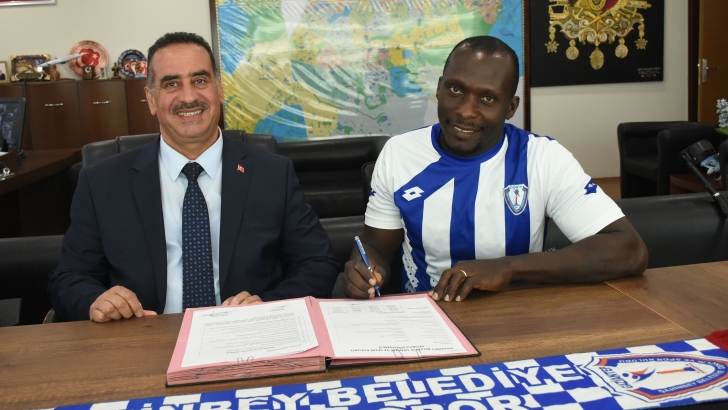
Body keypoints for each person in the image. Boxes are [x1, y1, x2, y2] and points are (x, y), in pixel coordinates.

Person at [49, 32, 339, 322]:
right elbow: (69, 278)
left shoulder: (272, 174)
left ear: (219, 90)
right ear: (151, 100)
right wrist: (96, 301)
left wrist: (268, 306)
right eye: (171, 84)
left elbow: (318, 263)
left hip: (247, 334)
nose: (188, 97)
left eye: (200, 80)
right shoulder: (102, 183)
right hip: (143, 335)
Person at [343, 36, 648, 302]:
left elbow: (629, 249)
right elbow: (376, 247)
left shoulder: (542, 158)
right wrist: (365, 270)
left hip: (518, 315)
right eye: (455, 90)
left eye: (487, 98)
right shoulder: (399, 153)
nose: (465, 111)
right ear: (439, 88)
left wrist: (508, 267)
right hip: (426, 315)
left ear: (510, 107)